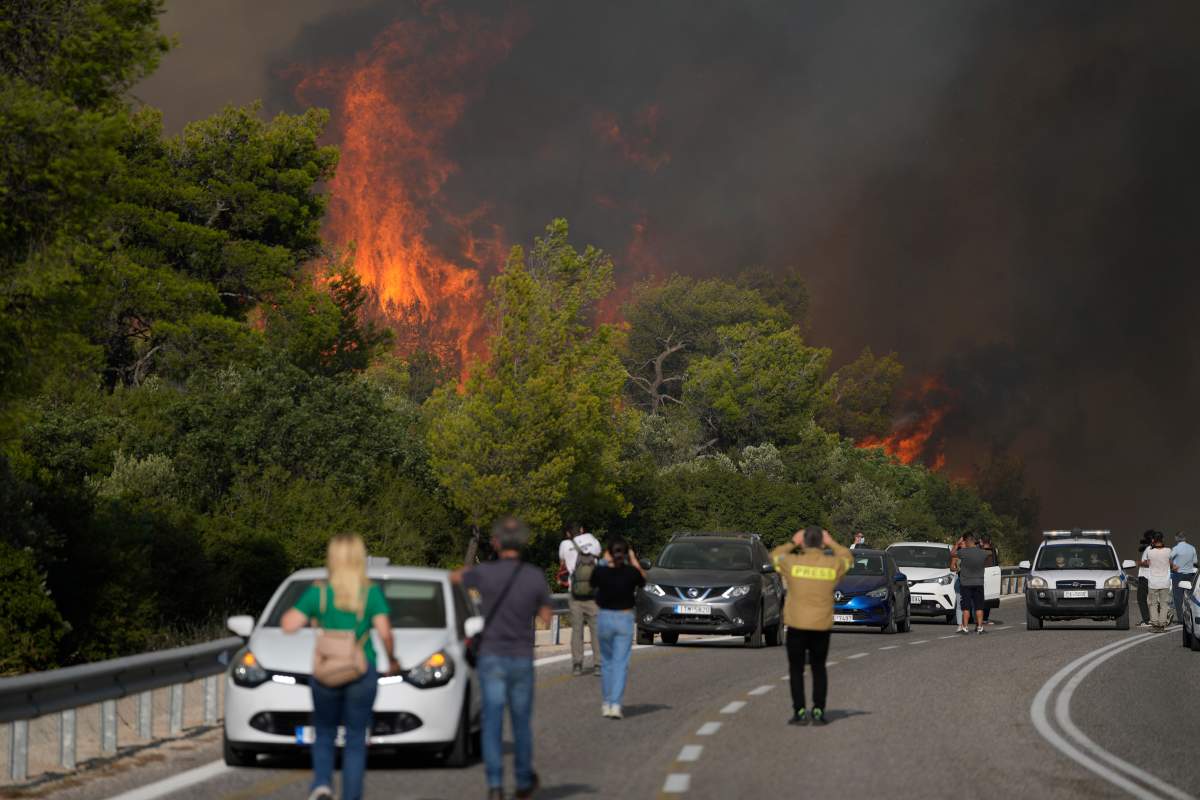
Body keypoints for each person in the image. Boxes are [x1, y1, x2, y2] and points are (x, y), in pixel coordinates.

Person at [281, 533, 395, 800]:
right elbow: (385, 632)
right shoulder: (370, 592)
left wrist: (311, 613)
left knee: (324, 732)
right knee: (355, 739)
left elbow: (288, 625)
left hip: (326, 671)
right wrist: (392, 658)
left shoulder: (319, 591)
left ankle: (322, 783)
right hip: (361, 669)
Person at [452, 518, 552, 800]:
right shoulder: (533, 575)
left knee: (492, 721)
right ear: (522, 543)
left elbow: (455, 578)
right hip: (520, 657)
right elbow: (546, 616)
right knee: (521, 722)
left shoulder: (484, 573)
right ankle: (522, 781)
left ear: (495, 543)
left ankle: (495, 785)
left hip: (491, 656)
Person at [771, 526, 852, 727]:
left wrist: (793, 542)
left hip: (797, 624)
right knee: (818, 668)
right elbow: (848, 558)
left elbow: (774, 556)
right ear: (822, 543)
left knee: (796, 669)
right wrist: (831, 542)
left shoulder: (791, 562)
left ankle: (799, 711)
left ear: (804, 542)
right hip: (821, 626)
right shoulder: (832, 564)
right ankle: (818, 711)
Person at [590, 537, 646, 719]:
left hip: (605, 617)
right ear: (626, 553)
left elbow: (592, 582)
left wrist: (605, 560)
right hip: (624, 618)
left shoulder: (601, 572)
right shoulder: (631, 572)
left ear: (609, 553)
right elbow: (644, 579)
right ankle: (615, 704)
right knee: (620, 664)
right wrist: (633, 558)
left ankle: (606, 702)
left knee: (607, 663)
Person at [557, 523, 603, 676]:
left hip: (575, 594)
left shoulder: (565, 544)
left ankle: (577, 664)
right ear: (582, 530)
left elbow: (562, 564)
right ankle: (598, 665)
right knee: (596, 630)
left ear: (568, 534)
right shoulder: (592, 540)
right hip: (593, 594)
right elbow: (599, 556)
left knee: (577, 630)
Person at [952, 533, 994, 635]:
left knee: (966, 607)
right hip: (979, 583)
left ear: (966, 541)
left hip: (966, 584)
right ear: (974, 541)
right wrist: (981, 545)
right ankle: (980, 627)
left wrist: (957, 544)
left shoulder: (963, 552)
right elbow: (991, 553)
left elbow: (952, 553)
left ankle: (965, 627)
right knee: (979, 606)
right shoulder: (982, 552)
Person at [1140, 531, 1177, 633]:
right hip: (1165, 582)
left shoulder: (1150, 552)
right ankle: (1162, 625)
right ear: (1163, 539)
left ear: (1153, 540)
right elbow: (1171, 563)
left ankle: (1155, 624)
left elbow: (1147, 563)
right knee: (1164, 604)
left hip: (1153, 582)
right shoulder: (1169, 551)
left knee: (1153, 604)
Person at [1171, 532, 1197, 624]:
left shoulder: (1176, 548)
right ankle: (1190, 617)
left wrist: (1173, 566)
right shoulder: (1192, 548)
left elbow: (1168, 558)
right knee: (1189, 597)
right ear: (1185, 538)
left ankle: (1181, 619)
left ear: (1176, 538)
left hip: (1178, 574)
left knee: (1178, 597)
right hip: (1190, 575)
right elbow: (1195, 562)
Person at [1135, 530, 1155, 627]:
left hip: (1145, 577)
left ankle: (1147, 620)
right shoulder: (1155, 548)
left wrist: (1139, 563)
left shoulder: (1150, 548)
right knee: (1153, 599)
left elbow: (1150, 562)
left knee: (1141, 598)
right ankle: (1154, 619)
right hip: (1151, 576)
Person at [978, 535, 1000, 625]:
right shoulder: (994, 551)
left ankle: (977, 617)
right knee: (988, 597)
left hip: (978, 574)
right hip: (990, 574)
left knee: (978, 597)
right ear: (990, 541)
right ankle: (985, 618)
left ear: (981, 542)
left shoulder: (978, 551)